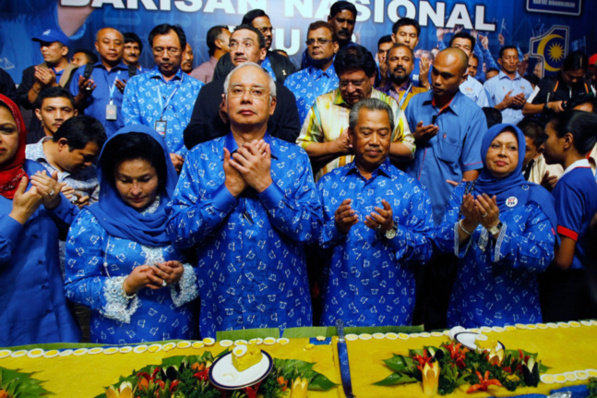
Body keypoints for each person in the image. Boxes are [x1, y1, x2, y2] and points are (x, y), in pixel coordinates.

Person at [167, 63, 321, 337]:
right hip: (223, 310)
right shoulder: (199, 157)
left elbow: (311, 230)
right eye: (238, 91)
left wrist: (265, 185)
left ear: (272, 105)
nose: (247, 98)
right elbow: (179, 231)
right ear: (224, 104)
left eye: (257, 92)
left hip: (285, 309)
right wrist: (229, 190)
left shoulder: (295, 158)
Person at [65, 125, 199, 344]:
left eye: (145, 179)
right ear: (110, 177)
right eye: (125, 180)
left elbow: (211, 268)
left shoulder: (182, 215)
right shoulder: (92, 221)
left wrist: (183, 274)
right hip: (117, 340)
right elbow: (75, 285)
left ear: (162, 173)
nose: (135, 190)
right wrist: (127, 285)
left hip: (178, 333)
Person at [318, 98, 434, 327]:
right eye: (366, 132)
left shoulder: (412, 188)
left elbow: (427, 250)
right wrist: (337, 228)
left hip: (393, 312)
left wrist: (392, 231)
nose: (374, 141)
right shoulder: (328, 184)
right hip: (338, 308)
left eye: (382, 133)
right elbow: (310, 242)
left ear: (391, 136)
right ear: (350, 136)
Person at [434, 123, 556, 327]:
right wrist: (468, 223)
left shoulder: (534, 196)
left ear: (521, 155)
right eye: (495, 146)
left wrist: (495, 228)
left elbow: (542, 257)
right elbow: (441, 244)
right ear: (484, 150)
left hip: (517, 315)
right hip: (466, 311)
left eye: (512, 148)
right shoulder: (464, 191)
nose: (502, 153)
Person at [0, 94, 80, 346]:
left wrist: (56, 202)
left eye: (6, 129)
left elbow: (79, 232)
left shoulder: (36, 172)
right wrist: (18, 216)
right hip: (7, 321)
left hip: (54, 317)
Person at [298, 44, 412, 181]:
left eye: (357, 83)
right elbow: (301, 148)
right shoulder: (323, 104)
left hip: (378, 193)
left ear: (372, 78)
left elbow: (409, 149)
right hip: (331, 193)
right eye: (344, 83)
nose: (350, 90)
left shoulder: (389, 105)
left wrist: (371, 144)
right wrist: (335, 147)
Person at [184, 25, 300, 150]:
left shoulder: (282, 94)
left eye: (247, 44)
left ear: (262, 53)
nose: (239, 50)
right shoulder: (209, 91)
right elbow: (191, 139)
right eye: (233, 44)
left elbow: (292, 139)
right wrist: (220, 120)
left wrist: (261, 118)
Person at [405, 47, 486, 222]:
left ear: (463, 78)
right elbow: (398, 151)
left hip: (444, 212)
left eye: (446, 76)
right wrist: (414, 139)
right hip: (408, 206)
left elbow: (471, 171)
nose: (437, 81)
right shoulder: (415, 103)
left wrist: (461, 209)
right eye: (435, 73)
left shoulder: (473, 115)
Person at [540, 111, 597, 321]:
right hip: (582, 279)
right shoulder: (586, 177)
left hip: (565, 288)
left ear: (567, 140)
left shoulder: (569, 184)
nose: (542, 145)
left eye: (547, 137)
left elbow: (563, 259)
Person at [122, 24, 203, 172]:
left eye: (172, 49)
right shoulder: (135, 84)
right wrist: (160, 157)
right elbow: (132, 127)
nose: (165, 56)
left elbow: (201, 131)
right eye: (159, 49)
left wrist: (180, 157)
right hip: (145, 166)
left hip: (185, 168)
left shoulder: (198, 88)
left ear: (183, 50)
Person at [26, 115, 106, 206]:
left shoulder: (93, 175)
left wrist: (84, 211)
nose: (89, 164)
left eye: (93, 158)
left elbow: (100, 213)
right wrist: (54, 201)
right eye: (86, 157)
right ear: (62, 144)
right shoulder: (24, 158)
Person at [16, 28, 78, 135]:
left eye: (48, 45)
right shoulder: (32, 72)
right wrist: (38, 84)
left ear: (64, 50)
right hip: (39, 131)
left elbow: (78, 104)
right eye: (42, 45)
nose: (43, 49)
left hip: (71, 131)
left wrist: (53, 85)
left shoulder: (78, 72)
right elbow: (25, 103)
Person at [69, 27, 129, 136]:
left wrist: (129, 95)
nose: (112, 47)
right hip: (89, 137)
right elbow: (70, 108)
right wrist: (82, 95)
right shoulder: (84, 72)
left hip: (124, 137)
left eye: (117, 43)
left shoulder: (134, 75)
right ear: (97, 46)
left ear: (123, 48)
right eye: (106, 42)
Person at [214, 10, 296, 84]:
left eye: (270, 30)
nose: (269, 34)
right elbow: (216, 91)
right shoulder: (226, 61)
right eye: (263, 30)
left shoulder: (283, 62)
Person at [284, 21, 339, 125]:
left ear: (335, 46)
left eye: (322, 41)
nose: (315, 45)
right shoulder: (293, 80)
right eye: (310, 41)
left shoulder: (345, 80)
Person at [525, 51, 597, 123]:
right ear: (562, 68)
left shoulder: (587, 86)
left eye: (579, 77)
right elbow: (526, 109)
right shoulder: (547, 84)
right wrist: (549, 106)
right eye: (571, 77)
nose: (574, 80)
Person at [484, 46, 534, 125]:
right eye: (508, 58)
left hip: (522, 131)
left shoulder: (527, 84)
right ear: (500, 61)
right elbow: (483, 113)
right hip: (499, 130)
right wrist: (504, 104)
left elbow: (533, 110)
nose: (512, 61)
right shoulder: (490, 84)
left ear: (518, 60)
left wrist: (525, 104)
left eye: (515, 58)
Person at [378, 44, 427, 110]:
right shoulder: (375, 94)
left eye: (405, 59)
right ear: (386, 64)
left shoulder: (422, 94)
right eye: (394, 59)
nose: (400, 63)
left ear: (413, 66)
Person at [449, 32, 490, 108]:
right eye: (457, 47)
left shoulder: (477, 87)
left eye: (466, 48)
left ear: (471, 54)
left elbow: (482, 115)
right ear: (449, 50)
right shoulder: (437, 77)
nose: (461, 51)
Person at [391, 18, 429, 89]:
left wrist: (425, 82)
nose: (407, 40)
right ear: (393, 37)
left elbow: (433, 97)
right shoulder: (384, 65)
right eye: (403, 34)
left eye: (412, 36)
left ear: (417, 41)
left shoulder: (425, 67)